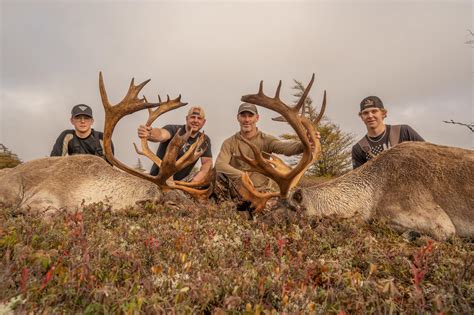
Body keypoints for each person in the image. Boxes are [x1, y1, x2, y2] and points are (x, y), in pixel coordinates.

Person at [215, 103, 305, 200]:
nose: (247, 120)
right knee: (216, 177)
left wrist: (303, 144)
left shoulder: (266, 140)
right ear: (238, 118)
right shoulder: (229, 142)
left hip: (262, 193)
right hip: (236, 192)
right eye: (243, 116)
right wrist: (241, 175)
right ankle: (223, 206)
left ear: (257, 118)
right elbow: (220, 165)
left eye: (250, 116)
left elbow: (286, 148)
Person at [137, 106, 212, 182]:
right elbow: (161, 135)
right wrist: (150, 133)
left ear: (203, 122)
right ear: (187, 118)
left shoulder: (204, 140)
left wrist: (197, 179)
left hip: (179, 184)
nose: (195, 121)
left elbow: (207, 162)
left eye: (199, 118)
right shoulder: (173, 129)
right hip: (157, 180)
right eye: (193, 117)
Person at [352, 96, 424, 169]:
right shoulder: (359, 148)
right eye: (365, 113)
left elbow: (428, 155)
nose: (370, 116)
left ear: (383, 113)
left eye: (374, 111)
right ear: (361, 117)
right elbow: (358, 178)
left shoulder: (404, 131)